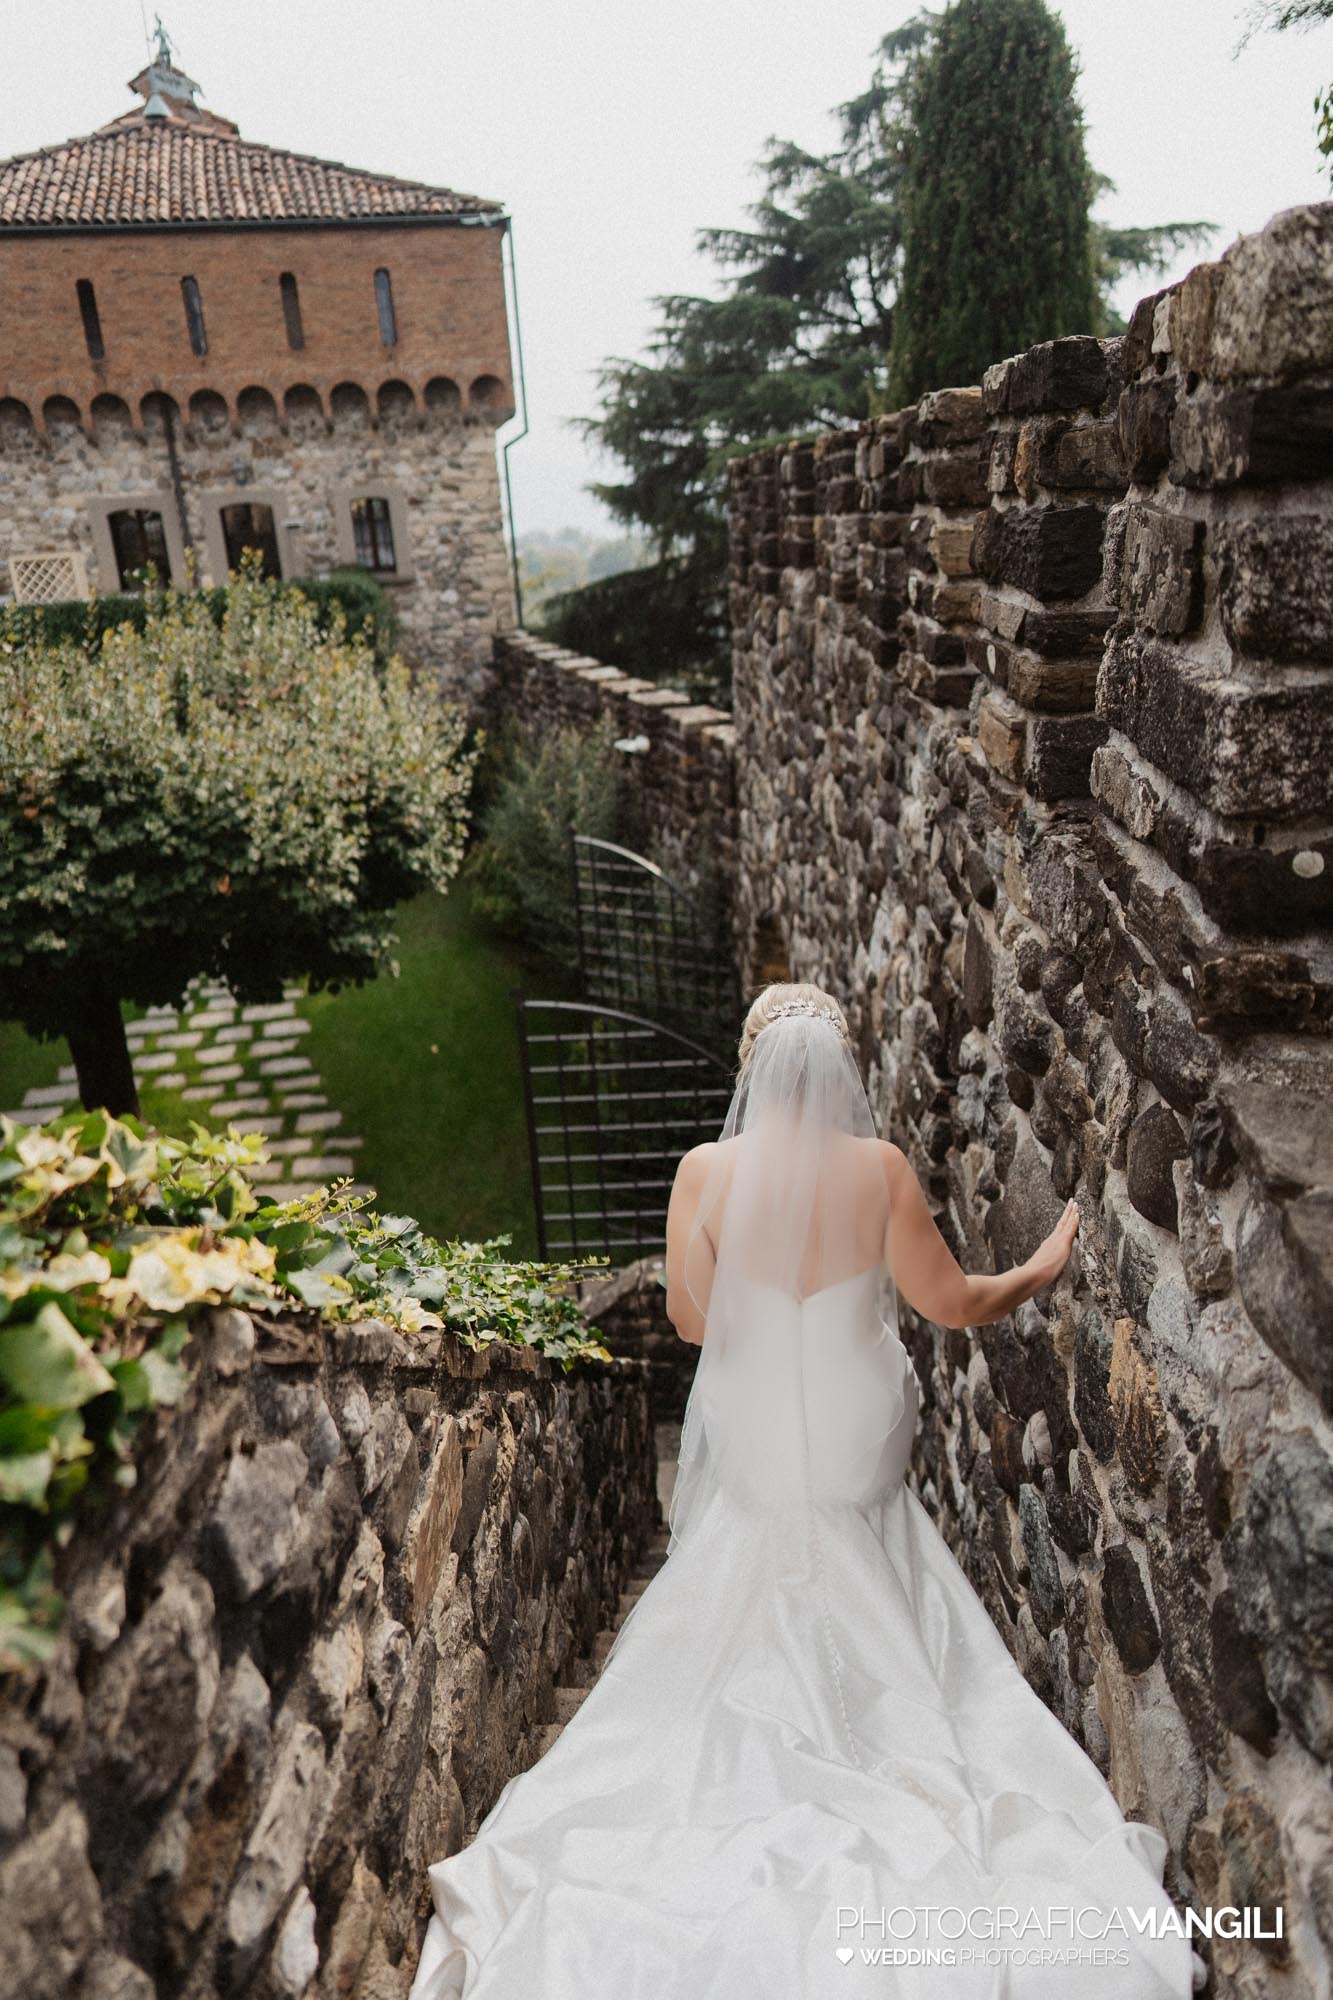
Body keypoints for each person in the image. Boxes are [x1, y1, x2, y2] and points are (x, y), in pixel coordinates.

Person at [408, 982, 1204, 1999]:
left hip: (752, 1426)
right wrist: (1042, 1263)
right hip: (847, 1421)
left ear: (750, 1067)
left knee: (748, 1550)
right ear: (837, 1069)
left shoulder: (704, 1170)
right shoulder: (873, 1170)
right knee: (865, 1547)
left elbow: (693, 1327)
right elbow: (951, 1303)